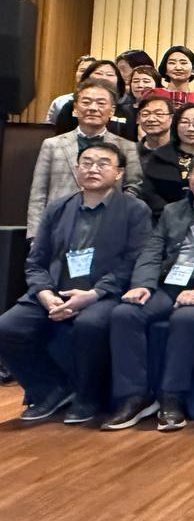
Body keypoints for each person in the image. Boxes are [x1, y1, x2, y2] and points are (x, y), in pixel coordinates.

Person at [0, 143, 151, 423]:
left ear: (119, 173)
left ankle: (87, 396)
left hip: (103, 293)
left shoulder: (135, 210)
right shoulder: (58, 208)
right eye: (87, 163)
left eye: (103, 163)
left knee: (89, 324)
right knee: (7, 327)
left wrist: (93, 294)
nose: (93, 169)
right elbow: (36, 261)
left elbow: (132, 261)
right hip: (55, 290)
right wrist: (45, 293)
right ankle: (50, 389)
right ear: (77, 168)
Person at [103, 153, 194, 431]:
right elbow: (152, 251)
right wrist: (142, 284)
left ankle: (172, 397)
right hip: (168, 284)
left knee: (185, 319)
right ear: (189, 178)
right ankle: (134, 396)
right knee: (124, 314)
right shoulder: (173, 210)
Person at [28, 81, 143, 239]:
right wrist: (35, 237)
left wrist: (118, 215)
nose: (93, 108)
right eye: (86, 102)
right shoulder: (52, 145)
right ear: (75, 109)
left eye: (101, 103)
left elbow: (133, 187)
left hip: (108, 230)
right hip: (58, 229)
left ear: (112, 111)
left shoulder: (127, 147)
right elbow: (38, 194)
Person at [140, 102, 194, 219]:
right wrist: (171, 216)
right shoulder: (159, 156)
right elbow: (150, 193)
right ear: (175, 125)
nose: (191, 129)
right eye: (185, 122)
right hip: (167, 218)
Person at [53, 60, 133, 137]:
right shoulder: (70, 107)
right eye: (98, 73)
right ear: (87, 77)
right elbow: (61, 137)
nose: (104, 78)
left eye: (110, 74)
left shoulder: (127, 110)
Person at [45, 54, 97, 124]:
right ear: (76, 73)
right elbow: (49, 128)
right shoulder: (59, 102)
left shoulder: (104, 103)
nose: (86, 74)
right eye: (82, 70)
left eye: (90, 71)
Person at [134, 94, 174, 159]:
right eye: (145, 114)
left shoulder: (183, 149)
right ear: (138, 119)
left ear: (171, 118)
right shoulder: (131, 152)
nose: (151, 119)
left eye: (159, 114)